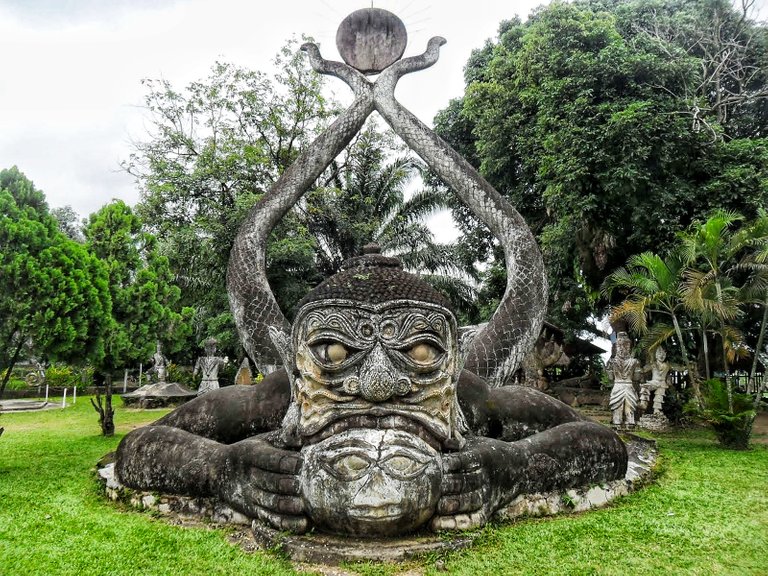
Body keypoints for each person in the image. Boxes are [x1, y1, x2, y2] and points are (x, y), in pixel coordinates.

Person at [607, 332, 643, 427]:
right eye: (621, 346)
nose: (622, 348)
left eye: (624, 346)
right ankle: (628, 425)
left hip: (617, 386)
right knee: (629, 414)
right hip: (629, 386)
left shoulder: (612, 362)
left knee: (617, 414)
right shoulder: (635, 362)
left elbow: (610, 378)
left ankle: (617, 425)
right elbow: (636, 378)